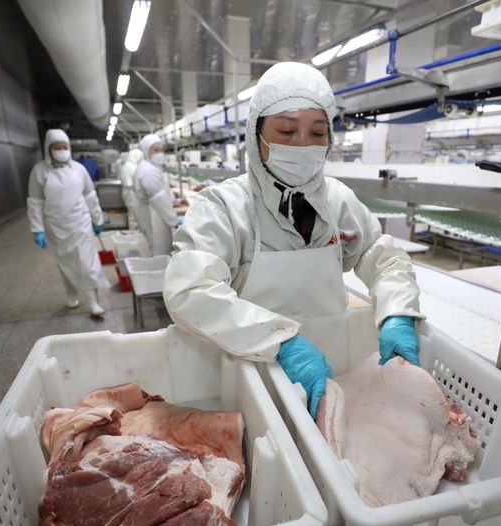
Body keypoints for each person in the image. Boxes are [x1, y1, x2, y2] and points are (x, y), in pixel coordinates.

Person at [163, 62, 424, 418]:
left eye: (317, 133)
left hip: (332, 367)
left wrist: (396, 312)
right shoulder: (224, 206)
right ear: (256, 135)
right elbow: (189, 290)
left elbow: (383, 256)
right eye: (287, 131)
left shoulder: (339, 200)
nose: (303, 145)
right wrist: (280, 342)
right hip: (251, 369)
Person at [27, 129, 109, 318]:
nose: (62, 150)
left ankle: (93, 302)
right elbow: (35, 202)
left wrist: (97, 219)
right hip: (56, 225)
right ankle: (71, 295)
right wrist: (37, 229)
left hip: (80, 221)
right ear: (49, 149)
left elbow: (90, 195)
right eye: (57, 147)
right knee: (65, 263)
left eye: (65, 147)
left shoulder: (79, 170)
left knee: (87, 263)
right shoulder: (39, 171)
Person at [134, 134, 178, 255]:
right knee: (160, 251)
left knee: (155, 248)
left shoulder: (150, 167)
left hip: (155, 214)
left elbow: (159, 192)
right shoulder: (149, 171)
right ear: (146, 151)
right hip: (155, 217)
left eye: (161, 150)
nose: (159, 153)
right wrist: (173, 220)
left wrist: (173, 199)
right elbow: (159, 200)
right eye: (155, 150)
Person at [120, 148, 144, 228]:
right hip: (131, 193)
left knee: (134, 214)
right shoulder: (129, 166)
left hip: (131, 193)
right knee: (133, 215)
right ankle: (134, 233)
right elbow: (130, 183)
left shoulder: (130, 165)